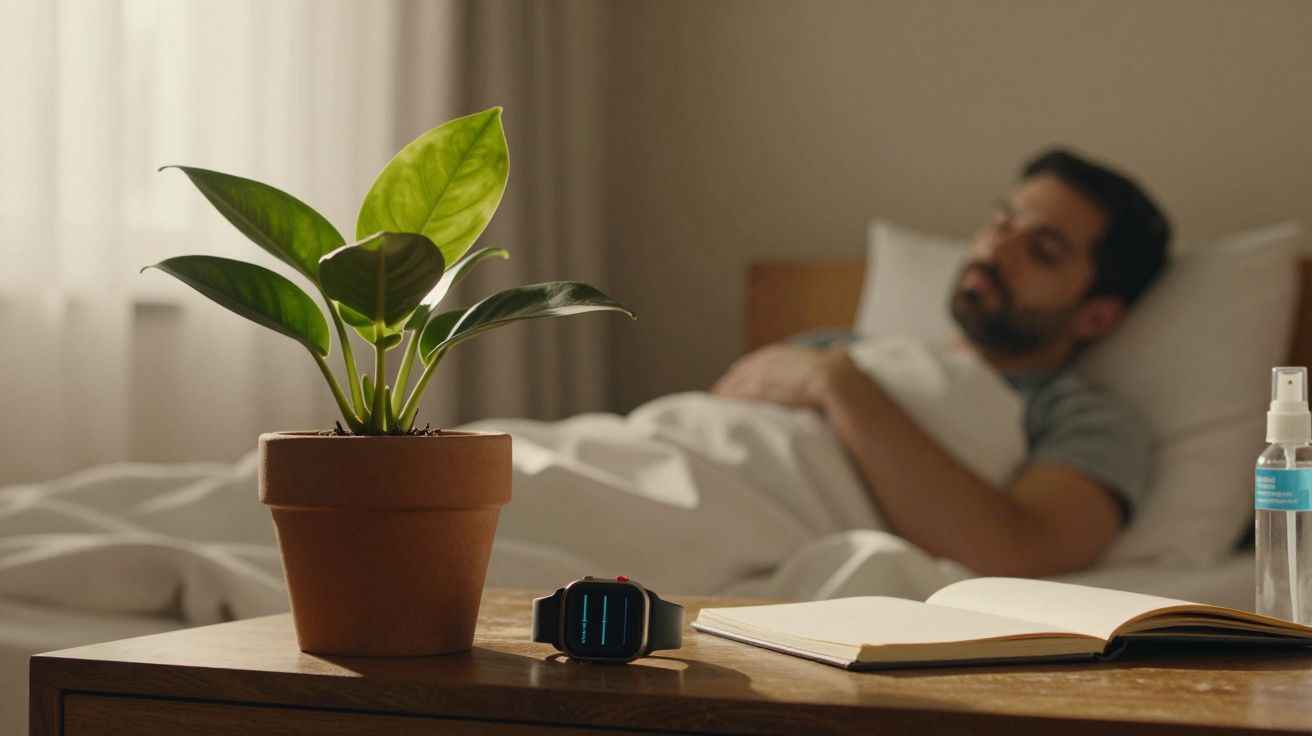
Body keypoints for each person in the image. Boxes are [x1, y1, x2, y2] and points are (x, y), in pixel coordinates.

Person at [710, 149, 1171, 578]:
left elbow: (1015, 551)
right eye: (1002, 222)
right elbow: (714, 423)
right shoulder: (835, 344)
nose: (997, 249)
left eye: (1042, 252)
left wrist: (836, 384)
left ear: (1096, 316)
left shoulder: (1083, 417)